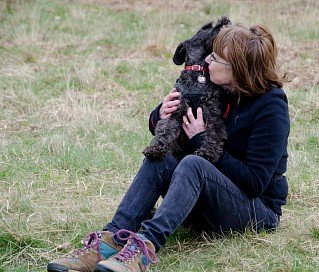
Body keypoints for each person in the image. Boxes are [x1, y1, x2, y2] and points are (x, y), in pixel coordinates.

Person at [47, 23, 290, 272]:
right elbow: (173, 125)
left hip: (255, 212)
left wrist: (200, 140)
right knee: (161, 157)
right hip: (205, 206)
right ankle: (111, 240)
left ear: (237, 69)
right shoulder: (217, 86)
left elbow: (254, 183)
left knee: (194, 163)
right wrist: (160, 113)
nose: (207, 59)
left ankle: (144, 247)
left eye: (215, 57)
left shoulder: (271, 107)